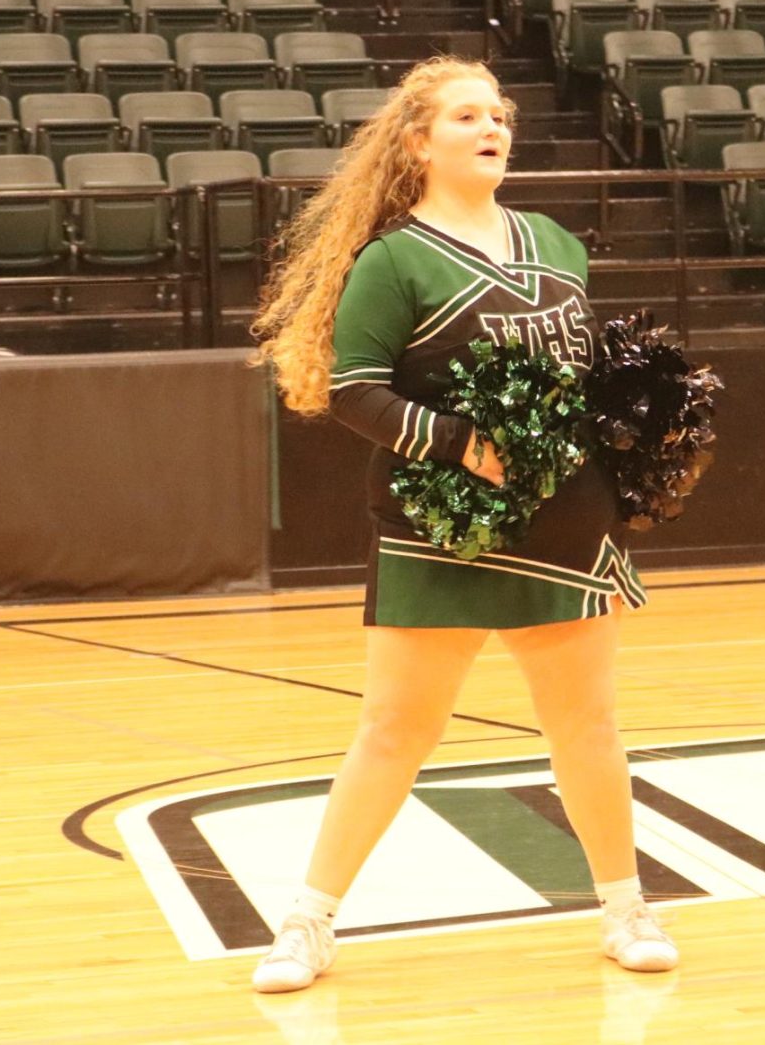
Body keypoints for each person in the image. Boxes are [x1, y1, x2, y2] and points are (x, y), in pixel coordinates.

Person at [250, 55, 677, 993]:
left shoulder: (558, 243)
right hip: (440, 521)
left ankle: (625, 906)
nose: (493, 129)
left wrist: (638, 426)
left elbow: (579, 380)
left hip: (567, 517)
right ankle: (307, 922)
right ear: (418, 142)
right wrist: (455, 442)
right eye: (468, 116)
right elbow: (354, 389)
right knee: (396, 730)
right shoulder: (394, 258)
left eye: (501, 116)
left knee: (589, 726)